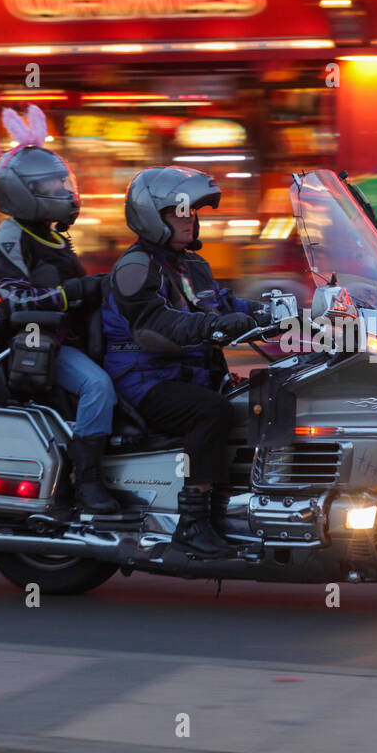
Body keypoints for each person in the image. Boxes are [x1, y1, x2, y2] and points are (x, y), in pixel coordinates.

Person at [103, 166, 266, 557]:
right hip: (142, 380)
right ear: (150, 216)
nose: (190, 220)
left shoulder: (190, 265)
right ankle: (192, 523)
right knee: (210, 412)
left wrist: (286, 313)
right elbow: (153, 324)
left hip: (183, 373)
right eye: (179, 212)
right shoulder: (137, 267)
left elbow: (225, 303)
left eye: (193, 212)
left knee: (260, 394)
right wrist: (213, 326)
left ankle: (238, 504)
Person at [0, 105, 121, 514]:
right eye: (52, 184)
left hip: (72, 335)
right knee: (97, 386)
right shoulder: (12, 235)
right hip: (39, 342)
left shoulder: (49, 234)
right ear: (23, 192)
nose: (64, 191)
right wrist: (75, 291)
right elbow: (15, 299)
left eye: (64, 182)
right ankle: (87, 482)